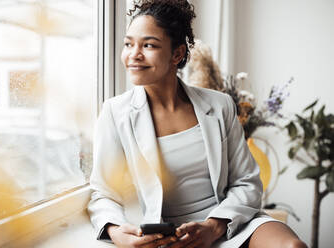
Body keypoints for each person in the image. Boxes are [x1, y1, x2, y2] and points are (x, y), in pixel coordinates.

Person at [87, 0, 307, 247]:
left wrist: (214, 226)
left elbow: (247, 181)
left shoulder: (220, 105)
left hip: (228, 223)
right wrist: (116, 231)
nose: (133, 55)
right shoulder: (114, 113)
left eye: (148, 45)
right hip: (169, 237)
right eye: (128, 44)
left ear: (177, 54)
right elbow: (103, 193)